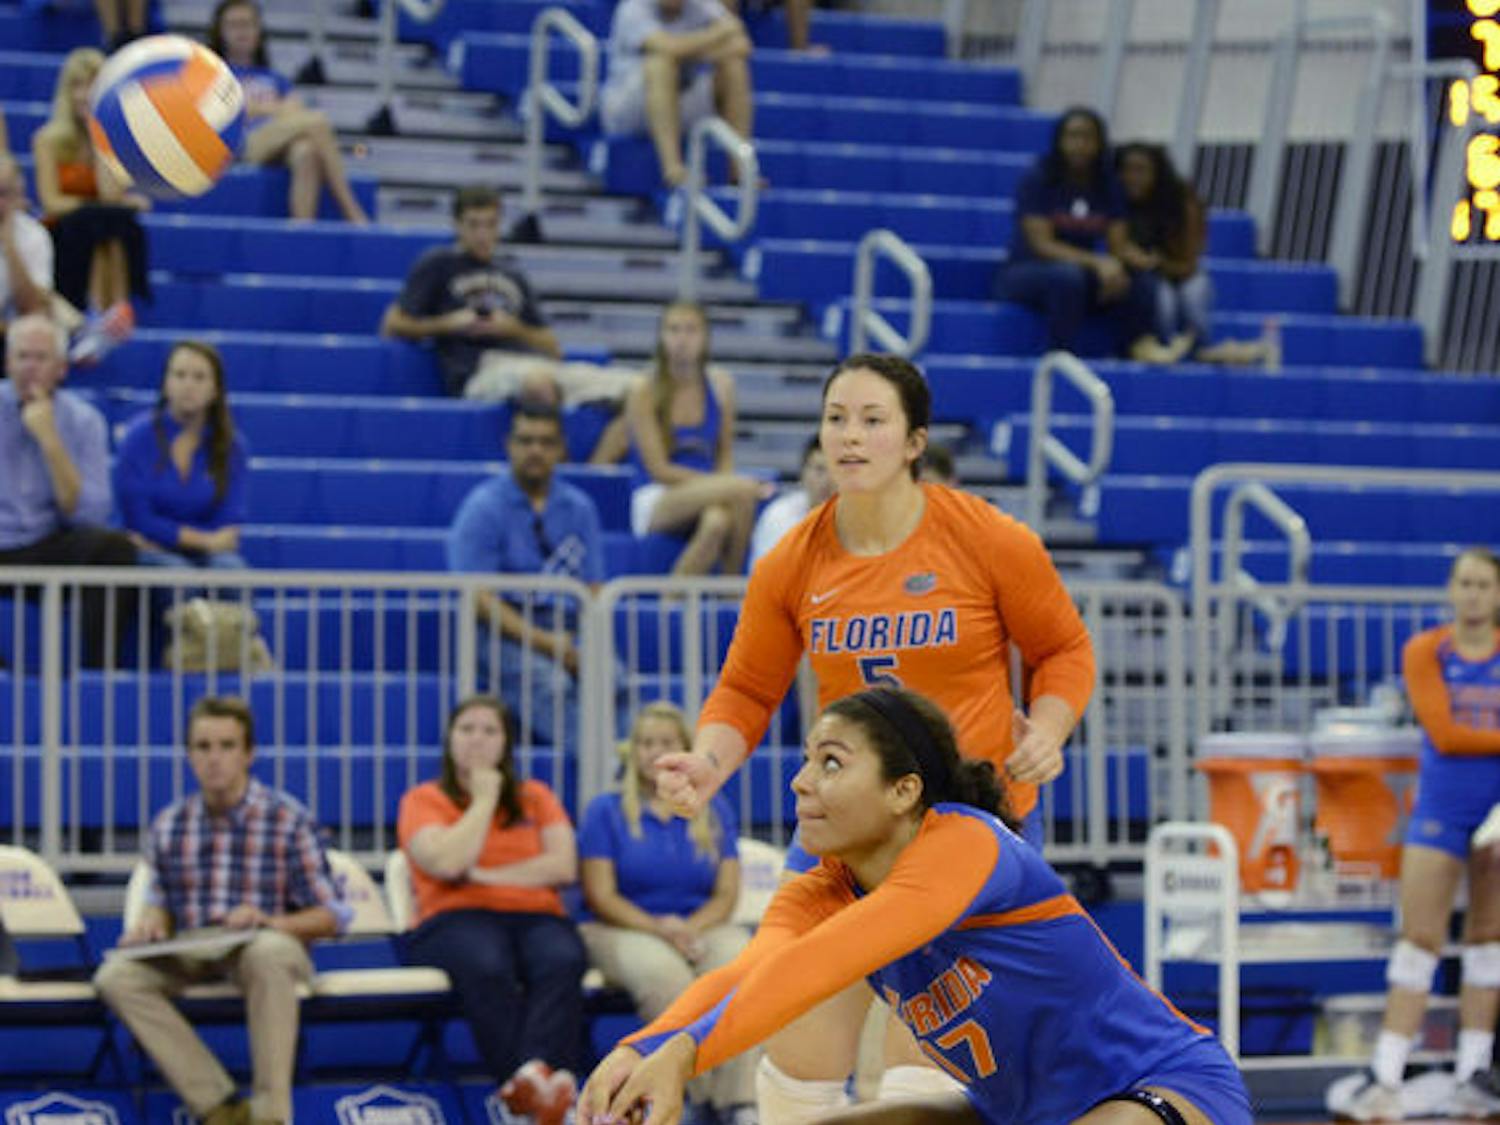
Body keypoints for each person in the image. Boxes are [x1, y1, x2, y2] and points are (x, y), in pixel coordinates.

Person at [648, 352, 1096, 1121]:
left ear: (915, 440)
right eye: (835, 419)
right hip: (847, 822)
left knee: (924, 1067)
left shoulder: (990, 538)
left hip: (965, 822)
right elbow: (749, 688)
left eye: (872, 420)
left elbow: (1066, 650)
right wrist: (710, 761)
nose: (849, 437)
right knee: (795, 1061)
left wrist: (1049, 728)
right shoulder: (791, 558)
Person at [580, 687, 1251, 1125]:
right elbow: (751, 971)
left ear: (904, 790)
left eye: (833, 762)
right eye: (808, 758)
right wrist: (644, 1047)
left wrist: (683, 1055)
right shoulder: (828, 881)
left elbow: (815, 964)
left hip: (1161, 1084)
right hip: (1012, 1111)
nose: (801, 780)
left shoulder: (966, 843)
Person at [94, 695, 350, 1125]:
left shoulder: (287, 818)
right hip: (194, 945)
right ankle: (221, 1107)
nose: (215, 759)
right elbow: (160, 902)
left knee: (268, 953)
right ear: (189, 754)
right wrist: (151, 925)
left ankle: (271, 1113)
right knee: (115, 977)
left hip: (265, 944)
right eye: (203, 747)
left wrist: (269, 921)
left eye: (227, 746)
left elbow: (332, 916)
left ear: (249, 753)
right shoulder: (170, 823)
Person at [1336, 548, 1500, 1121]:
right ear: (1451, 590)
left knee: (1488, 944)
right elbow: (1447, 733)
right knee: (1418, 940)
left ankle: (1473, 1072)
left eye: (1484, 584)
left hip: (1498, 815)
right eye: (1464, 583)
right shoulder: (1426, 650)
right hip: (1441, 809)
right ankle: (1386, 1070)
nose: (1473, 594)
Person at [396, 695, 586, 1125]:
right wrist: (484, 800)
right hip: (451, 919)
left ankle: (529, 1083)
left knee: (564, 956)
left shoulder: (536, 796)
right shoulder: (422, 800)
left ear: (507, 743)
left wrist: (483, 875)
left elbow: (563, 865)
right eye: (466, 730)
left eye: (489, 731)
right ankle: (534, 1088)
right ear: (449, 740)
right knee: (487, 961)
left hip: (535, 916)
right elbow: (445, 863)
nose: (477, 741)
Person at [578, 701, 758, 1125]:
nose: (654, 752)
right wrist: (663, 931)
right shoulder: (605, 810)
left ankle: (738, 1103)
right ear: (631, 751)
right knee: (666, 978)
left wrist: (689, 929)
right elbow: (601, 895)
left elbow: (726, 893)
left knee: (740, 968)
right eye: (644, 743)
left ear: (685, 750)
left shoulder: (713, 809)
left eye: (665, 743)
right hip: (621, 926)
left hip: (701, 923)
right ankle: (690, 1097)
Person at [447, 401, 607, 752]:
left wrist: (584, 643)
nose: (535, 450)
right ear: (510, 445)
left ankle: (634, 771)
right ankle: (611, 768)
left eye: (546, 442)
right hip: (502, 631)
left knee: (615, 680)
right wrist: (549, 644)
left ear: (561, 449)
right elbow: (481, 598)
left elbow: (594, 589)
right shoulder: (483, 507)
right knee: (549, 684)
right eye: (526, 440)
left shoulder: (579, 508)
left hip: (567, 626)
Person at [0, 314, 137, 668]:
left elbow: (89, 513)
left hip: (45, 541)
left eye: (41, 358)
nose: (30, 367)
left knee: (113, 549)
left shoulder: (84, 420)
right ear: (7, 362)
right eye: (22, 356)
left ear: (61, 368)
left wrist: (50, 440)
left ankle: (96, 674)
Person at [996, 107, 1161, 361]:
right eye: (1072, 136)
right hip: (1026, 272)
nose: (1079, 145)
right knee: (1068, 278)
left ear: (1099, 144)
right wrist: (1098, 262)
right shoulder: (1039, 178)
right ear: (1059, 141)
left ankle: (1136, 352)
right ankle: (1061, 358)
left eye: (1087, 137)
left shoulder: (1108, 185)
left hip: (1081, 274)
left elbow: (1117, 245)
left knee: (1139, 282)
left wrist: (1131, 260)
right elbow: (1043, 245)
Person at [624, 301, 769, 576]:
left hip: (712, 490)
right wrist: (725, 485)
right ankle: (736, 596)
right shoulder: (643, 390)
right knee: (743, 490)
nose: (681, 340)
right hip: (657, 495)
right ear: (661, 337)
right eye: (673, 330)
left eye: (691, 331)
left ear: (705, 338)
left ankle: (676, 603)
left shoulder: (721, 385)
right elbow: (658, 469)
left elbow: (724, 453)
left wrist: (724, 484)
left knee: (717, 522)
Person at [208, 0, 369, 224]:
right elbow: (229, 113)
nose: (242, 32)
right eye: (234, 25)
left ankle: (302, 229)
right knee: (317, 121)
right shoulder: (215, 73)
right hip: (242, 145)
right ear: (220, 31)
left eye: (248, 24)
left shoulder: (275, 78)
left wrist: (259, 109)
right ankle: (353, 213)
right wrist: (274, 109)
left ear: (259, 30)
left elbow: (295, 111)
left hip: (279, 144)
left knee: (307, 151)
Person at [1113, 143, 1272, 368]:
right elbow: (1119, 249)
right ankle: (1164, 348)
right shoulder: (1114, 203)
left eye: (1141, 170)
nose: (1132, 177)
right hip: (1146, 279)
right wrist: (1141, 261)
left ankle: (1203, 350)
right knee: (1163, 299)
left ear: (1158, 172)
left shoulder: (1181, 201)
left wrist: (1158, 263)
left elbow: (1189, 260)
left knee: (1194, 294)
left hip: (1179, 270)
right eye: (1127, 170)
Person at [31, 48, 150, 319]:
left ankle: (117, 311)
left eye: (92, 85)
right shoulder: (47, 140)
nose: (84, 94)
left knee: (116, 225)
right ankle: (96, 310)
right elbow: (51, 202)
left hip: (100, 226)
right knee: (95, 222)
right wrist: (95, 207)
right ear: (66, 92)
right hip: (63, 230)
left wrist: (99, 136)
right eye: (78, 85)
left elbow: (110, 194)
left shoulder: (111, 140)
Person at [114, 340, 250, 571]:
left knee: (231, 571)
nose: (188, 385)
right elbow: (138, 519)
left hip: (207, 555)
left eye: (199, 377)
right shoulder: (137, 437)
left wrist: (196, 542)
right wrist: (205, 541)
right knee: (177, 573)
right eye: (179, 375)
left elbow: (228, 526)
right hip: (149, 551)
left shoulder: (232, 446)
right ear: (166, 383)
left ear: (215, 389)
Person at [601, 0, 755, 188]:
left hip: (679, 100)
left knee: (734, 67)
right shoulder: (633, 8)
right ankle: (673, 171)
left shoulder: (702, 5)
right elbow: (668, 48)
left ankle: (739, 173)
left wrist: (687, 51)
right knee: (660, 64)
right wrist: (715, 37)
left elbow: (742, 44)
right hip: (629, 108)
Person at [749, 435, 832, 567]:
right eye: (819, 470)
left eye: (835, 471)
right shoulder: (778, 515)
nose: (827, 481)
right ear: (803, 473)